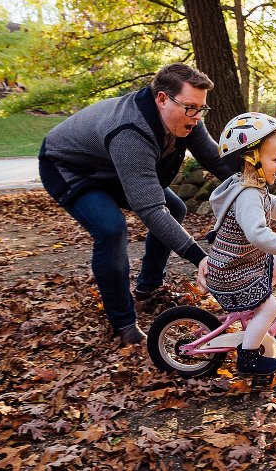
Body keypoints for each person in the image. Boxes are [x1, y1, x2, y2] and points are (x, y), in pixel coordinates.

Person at [38, 63, 233, 347]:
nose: (196, 116)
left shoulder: (187, 116)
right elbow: (151, 209)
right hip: (70, 168)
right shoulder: (130, 130)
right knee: (110, 229)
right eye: (191, 107)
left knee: (176, 208)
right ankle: (123, 323)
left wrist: (253, 187)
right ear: (162, 99)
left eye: (202, 109)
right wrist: (201, 257)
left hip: (112, 166)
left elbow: (215, 160)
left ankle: (149, 288)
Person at [197, 112, 276, 376]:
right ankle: (248, 357)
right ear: (252, 161)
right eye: (275, 159)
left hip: (241, 263)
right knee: (271, 306)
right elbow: (258, 235)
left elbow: (270, 204)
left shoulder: (254, 188)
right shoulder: (248, 195)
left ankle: (251, 309)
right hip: (231, 271)